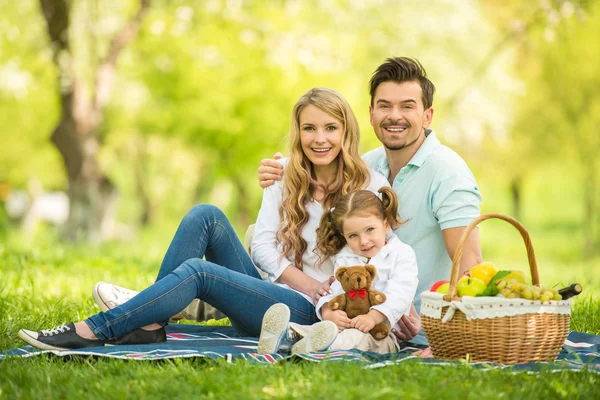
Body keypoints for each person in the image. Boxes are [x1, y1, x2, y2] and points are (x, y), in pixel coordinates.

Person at [18, 87, 389, 351]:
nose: (319, 138)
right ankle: (148, 322)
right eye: (309, 128)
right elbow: (260, 245)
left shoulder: (370, 184)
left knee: (199, 272)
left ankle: (92, 330)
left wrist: (321, 294)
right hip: (268, 292)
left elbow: (381, 254)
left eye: (330, 128)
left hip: (311, 311)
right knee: (205, 215)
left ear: (346, 131)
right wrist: (302, 280)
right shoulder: (284, 172)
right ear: (298, 132)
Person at [258, 57, 483, 345]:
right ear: (371, 113)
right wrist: (281, 170)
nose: (394, 116)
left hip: (414, 324)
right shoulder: (369, 166)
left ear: (427, 116)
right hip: (360, 309)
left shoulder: (447, 171)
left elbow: (470, 263)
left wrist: (454, 340)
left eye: (407, 106)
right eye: (385, 106)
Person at [257, 187, 418, 355]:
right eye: (353, 236)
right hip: (346, 324)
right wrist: (328, 311)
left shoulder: (402, 254)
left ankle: (312, 347)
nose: (363, 241)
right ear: (344, 236)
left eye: (370, 230)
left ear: (385, 225)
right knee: (321, 329)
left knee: (356, 338)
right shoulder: (346, 256)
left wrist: (373, 317)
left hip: (381, 333)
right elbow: (335, 290)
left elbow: (400, 293)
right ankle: (288, 336)